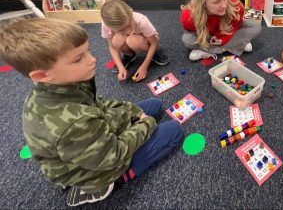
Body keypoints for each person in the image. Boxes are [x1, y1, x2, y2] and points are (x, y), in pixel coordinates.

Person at [0, 18, 183, 206]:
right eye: (79, 58)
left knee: (155, 105)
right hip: (98, 167)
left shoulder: (58, 84)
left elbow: (99, 104)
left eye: (87, 51)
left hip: (91, 137)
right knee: (174, 130)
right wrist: (146, 123)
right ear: (41, 75)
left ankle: (129, 129)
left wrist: (133, 111)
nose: (92, 59)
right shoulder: (72, 122)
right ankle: (110, 182)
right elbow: (114, 154)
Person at [180, 0, 261, 61]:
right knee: (187, 39)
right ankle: (236, 46)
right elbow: (192, 32)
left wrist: (221, 39)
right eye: (216, 2)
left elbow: (234, 26)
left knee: (255, 25)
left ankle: (211, 50)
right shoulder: (188, 15)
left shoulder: (236, 6)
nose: (224, 5)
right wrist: (207, 38)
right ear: (203, 3)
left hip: (226, 32)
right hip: (209, 36)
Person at [101, 0, 169, 82]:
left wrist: (144, 66)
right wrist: (120, 67)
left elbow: (153, 43)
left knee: (132, 40)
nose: (127, 31)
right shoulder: (106, 25)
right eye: (121, 30)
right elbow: (112, 47)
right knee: (115, 41)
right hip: (130, 40)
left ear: (130, 12)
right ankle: (129, 55)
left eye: (129, 25)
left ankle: (153, 53)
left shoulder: (141, 20)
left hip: (146, 41)